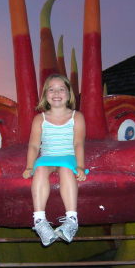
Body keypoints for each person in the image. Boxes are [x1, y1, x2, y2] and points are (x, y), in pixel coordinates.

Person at [22, 74, 87, 246]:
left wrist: (80, 166)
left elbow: (78, 143)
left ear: (69, 94)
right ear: (45, 95)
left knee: (66, 170)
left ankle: (72, 220)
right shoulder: (40, 119)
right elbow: (34, 145)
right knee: (40, 170)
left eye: (61, 89)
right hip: (48, 158)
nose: (56, 93)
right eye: (51, 89)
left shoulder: (76, 117)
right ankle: (39, 221)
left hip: (68, 157)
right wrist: (30, 166)